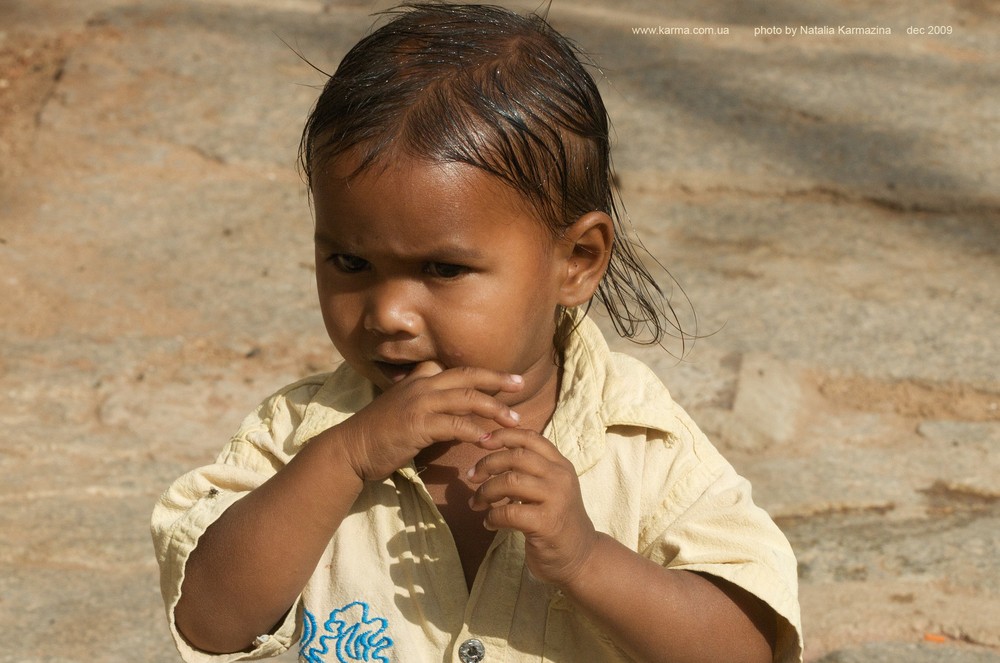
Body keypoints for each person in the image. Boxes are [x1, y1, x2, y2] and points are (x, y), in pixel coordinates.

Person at [151, 3, 803, 662]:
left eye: (443, 268)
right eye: (350, 262)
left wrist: (587, 559)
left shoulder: (641, 446)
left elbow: (743, 650)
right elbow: (209, 618)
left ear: (575, 261)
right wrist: (345, 458)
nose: (389, 313)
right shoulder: (299, 433)